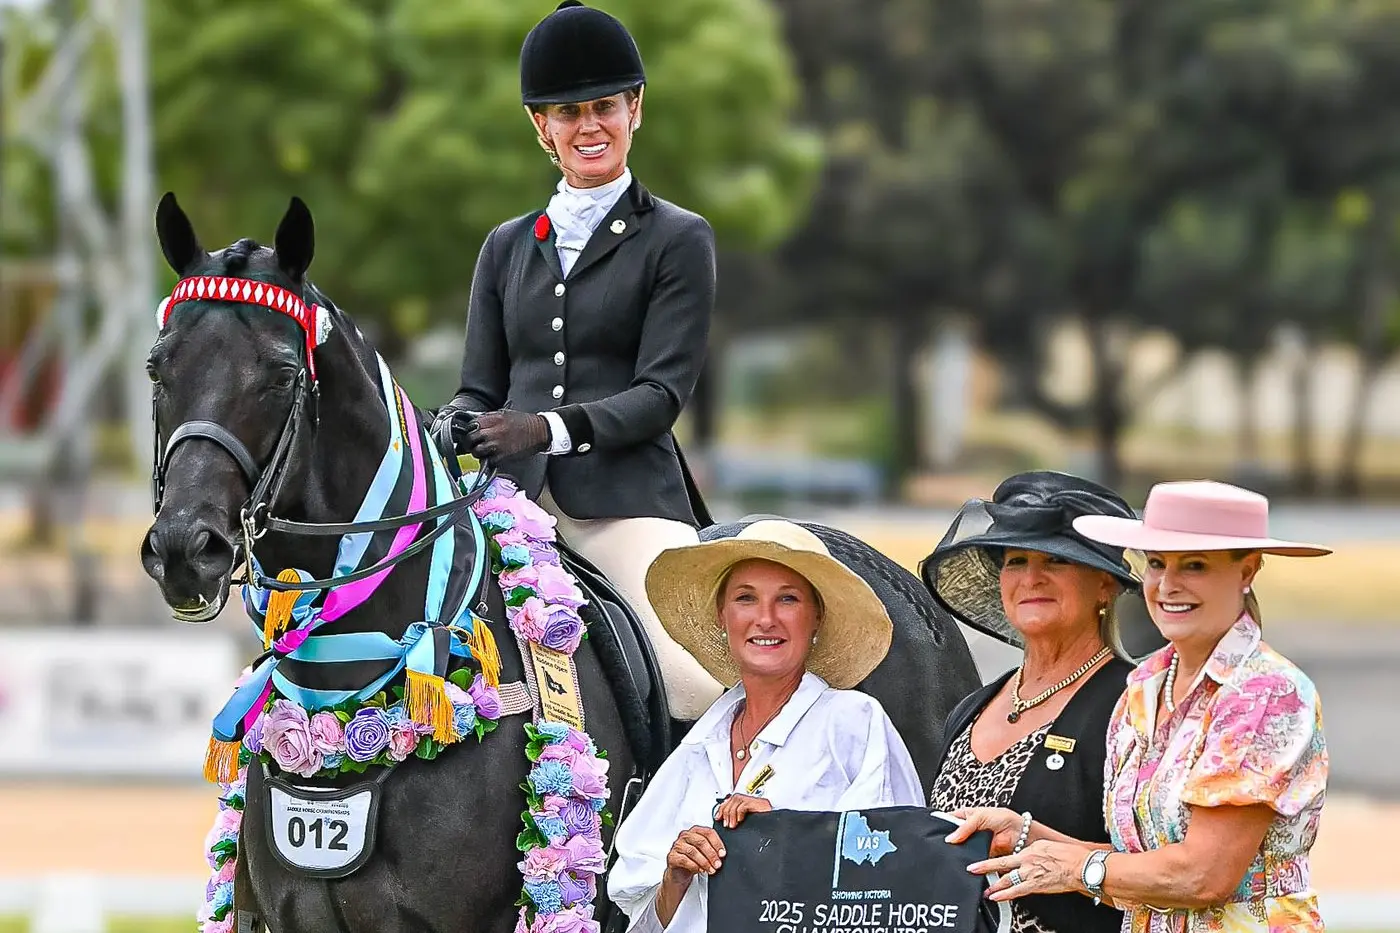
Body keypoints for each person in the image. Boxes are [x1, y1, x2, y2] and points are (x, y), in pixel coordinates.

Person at [430, 2, 723, 721]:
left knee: (691, 681)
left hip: (622, 503)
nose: (588, 126)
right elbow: (478, 386)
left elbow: (660, 394)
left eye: (603, 107)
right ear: (542, 127)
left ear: (635, 111)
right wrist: (454, 425)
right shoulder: (505, 245)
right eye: (568, 112)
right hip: (509, 505)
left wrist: (546, 429)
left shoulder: (678, 238)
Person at [952, 480, 1330, 933]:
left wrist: (1074, 869)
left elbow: (1203, 876)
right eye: (1156, 564)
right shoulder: (1144, 687)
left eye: (1194, 566)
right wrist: (1027, 836)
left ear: (1247, 571)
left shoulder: (1264, 691)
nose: (1169, 585)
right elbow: (1139, 865)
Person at [607, 520, 924, 933]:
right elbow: (649, 921)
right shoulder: (697, 746)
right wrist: (677, 874)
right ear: (723, 616)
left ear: (816, 619)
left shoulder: (853, 721)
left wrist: (788, 834)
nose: (766, 619)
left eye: (787, 599)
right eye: (746, 598)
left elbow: (899, 870)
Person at [920, 471, 1138, 933]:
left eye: (1055, 561)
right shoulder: (972, 709)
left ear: (1105, 585)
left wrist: (1029, 840)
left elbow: (1162, 870)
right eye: (1016, 560)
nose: (1031, 577)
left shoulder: (1135, 703)